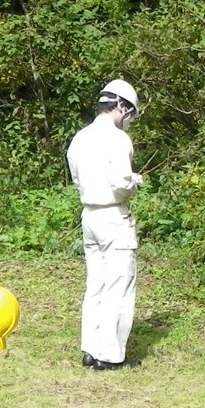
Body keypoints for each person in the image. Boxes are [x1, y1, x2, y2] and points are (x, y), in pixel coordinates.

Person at [66, 78, 143, 371]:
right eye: (130, 113)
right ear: (121, 106)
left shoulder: (80, 137)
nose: (128, 120)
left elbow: (76, 178)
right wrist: (135, 183)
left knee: (96, 284)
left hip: (89, 216)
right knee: (119, 285)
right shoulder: (117, 138)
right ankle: (110, 355)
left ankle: (91, 348)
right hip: (113, 216)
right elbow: (121, 181)